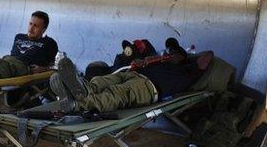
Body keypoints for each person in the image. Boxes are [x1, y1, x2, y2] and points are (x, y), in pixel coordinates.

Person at [22, 39, 214, 115]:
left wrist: (188, 58)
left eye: (175, 52)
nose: (169, 53)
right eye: (170, 50)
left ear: (183, 58)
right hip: (133, 73)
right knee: (100, 80)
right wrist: (143, 61)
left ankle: (75, 105)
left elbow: (208, 56)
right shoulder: (159, 61)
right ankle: (79, 89)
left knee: (115, 94)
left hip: (148, 88)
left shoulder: (188, 71)